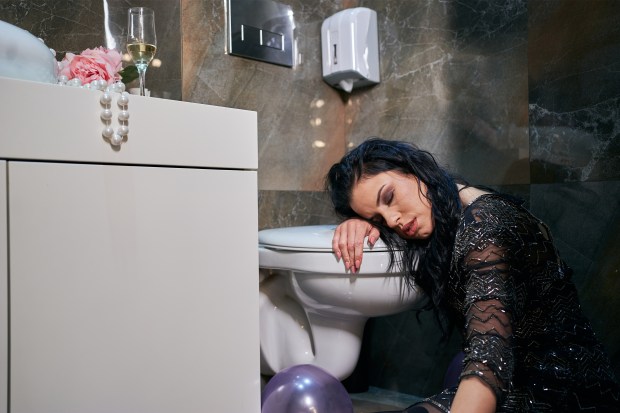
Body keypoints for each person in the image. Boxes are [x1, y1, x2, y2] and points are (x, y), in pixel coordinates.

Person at [325, 138, 619, 413]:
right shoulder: (453, 209)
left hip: (566, 391)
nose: (391, 220)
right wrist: (361, 226)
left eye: (388, 197)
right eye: (377, 218)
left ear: (413, 170)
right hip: (513, 383)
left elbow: (489, 359)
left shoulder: (483, 224)